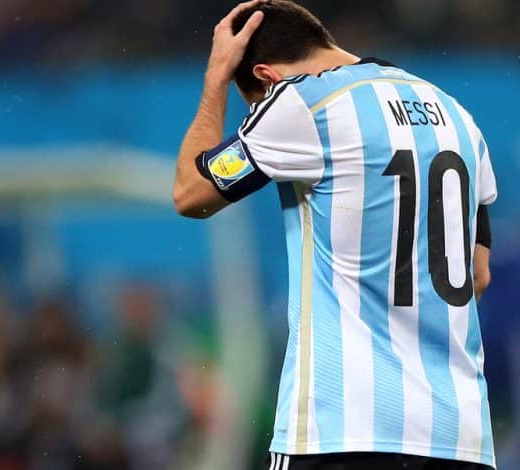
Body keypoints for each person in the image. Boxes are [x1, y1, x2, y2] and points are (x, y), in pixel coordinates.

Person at [172, 1, 497, 469]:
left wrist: (217, 79)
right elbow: (477, 276)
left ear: (265, 76)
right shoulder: (458, 117)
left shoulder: (303, 102)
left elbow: (190, 193)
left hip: (342, 430)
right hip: (459, 436)